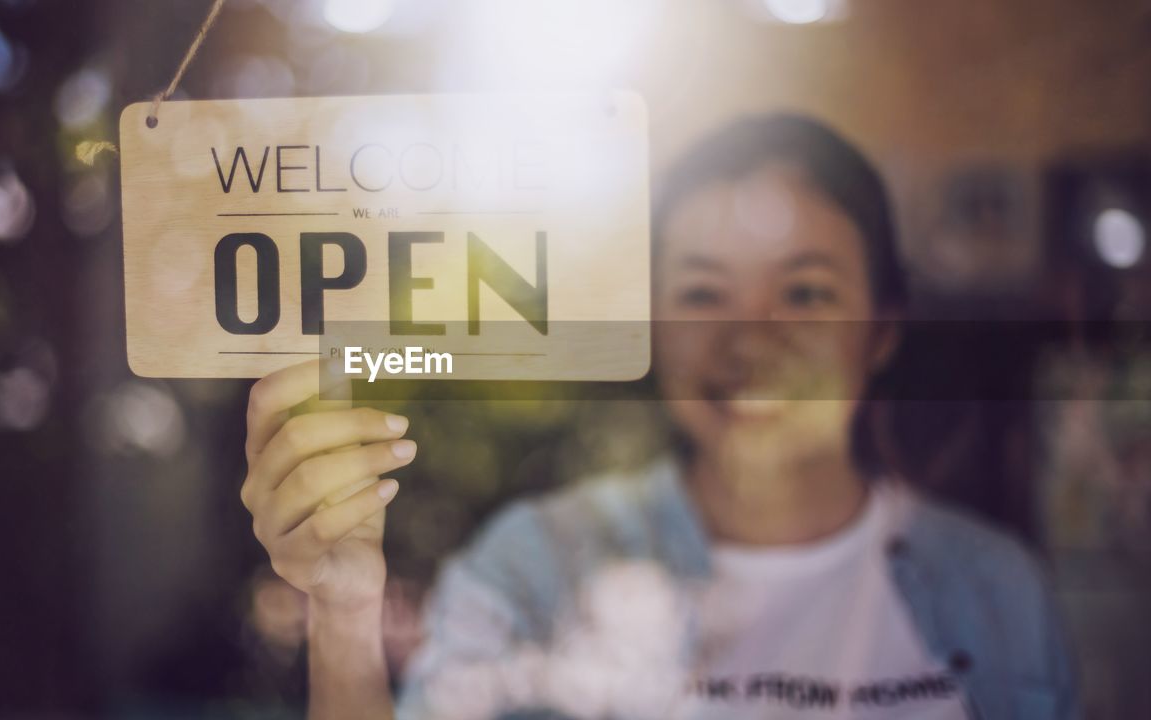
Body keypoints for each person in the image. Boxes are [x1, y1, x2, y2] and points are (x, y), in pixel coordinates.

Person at [238, 115, 1078, 719]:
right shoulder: (531, 566)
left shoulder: (995, 594)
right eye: (703, 292)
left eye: (806, 293)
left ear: (883, 329)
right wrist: (343, 613)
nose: (751, 341)